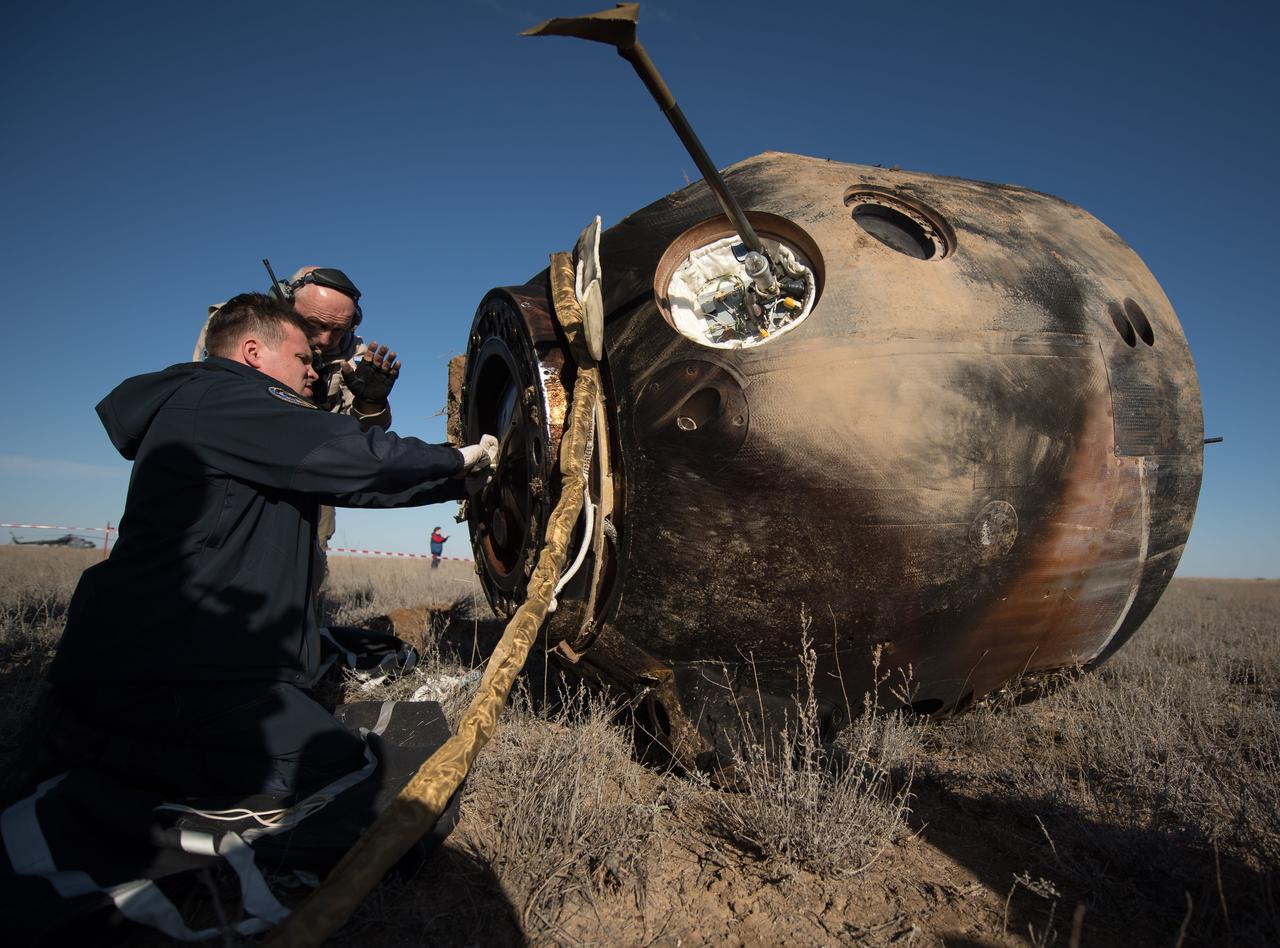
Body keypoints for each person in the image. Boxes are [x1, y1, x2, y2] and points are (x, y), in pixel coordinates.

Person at [2, 293, 498, 939]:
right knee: (368, 783)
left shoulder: (226, 412)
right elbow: (355, 456)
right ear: (253, 351)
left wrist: (458, 480)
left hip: (164, 658)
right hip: (173, 671)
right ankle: (132, 784)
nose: (314, 372)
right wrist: (461, 458)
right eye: (302, 358)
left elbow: (357, 480)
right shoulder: (227, 399)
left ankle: (118, 752)